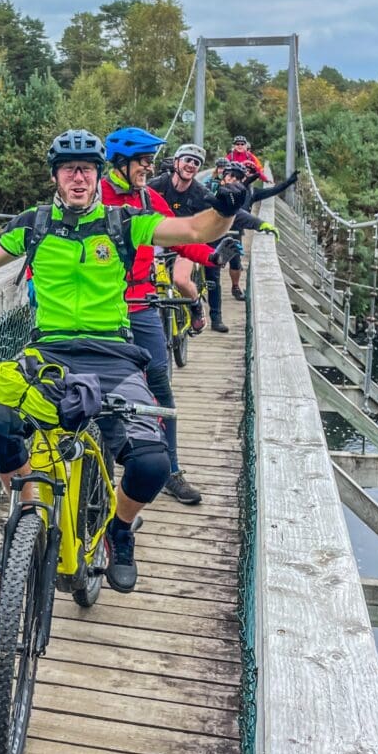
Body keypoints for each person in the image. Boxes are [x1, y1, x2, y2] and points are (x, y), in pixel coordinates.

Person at [0, 129, 245, 592]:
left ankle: (119, 530)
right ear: (56, 176)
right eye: (69, 170)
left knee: (153, 463)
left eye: (87, 170)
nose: (78, 178)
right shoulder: (33, 225)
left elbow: (197, 230)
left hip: (113, 356)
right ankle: (24, 511)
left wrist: (227, 207)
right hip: (48, 354)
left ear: (99, 174)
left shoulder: (125, 222)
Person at [100, 127, 236, 507]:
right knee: (94, 389)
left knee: (159, 383)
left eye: (150, 161)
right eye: (143, 161)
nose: (149, 167)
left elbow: (181, 234)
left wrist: (212, 257)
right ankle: (98, 474)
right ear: (122, 164)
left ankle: (171, 471)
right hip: (101, 304)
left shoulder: (148, 197)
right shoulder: (94, 195)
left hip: (141, 303)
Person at [149, 144, 270, 331]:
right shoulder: (157, 185)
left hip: (185, 242)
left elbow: (225, 213)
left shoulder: (200, 193)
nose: (191, 165)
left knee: (180, 280)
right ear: (176, 162)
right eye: (187, 160)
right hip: (157, 238)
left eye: (196, 163)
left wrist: (260, 224)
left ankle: (196, 306)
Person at [220, 160, 295, 303]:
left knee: (235, 262)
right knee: (215, 263)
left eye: (249, 172)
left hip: (236, 229)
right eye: (232, 176)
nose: (247, 174)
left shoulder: (252, 192)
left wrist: (289, 182)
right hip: (216, 229)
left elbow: (272, 191)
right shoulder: (220, 189)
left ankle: (235, 287)